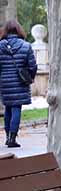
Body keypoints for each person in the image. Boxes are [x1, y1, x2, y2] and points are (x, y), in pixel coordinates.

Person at [0, 20, 37, 148]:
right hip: (20, 82)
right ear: (19, 30)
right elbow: (32, 66)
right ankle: (12, 138)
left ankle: (7, 137)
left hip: (4, 82)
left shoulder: (0, 46)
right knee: (16, 108)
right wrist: (29, 77)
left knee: (8, 108)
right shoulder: (26, 46)